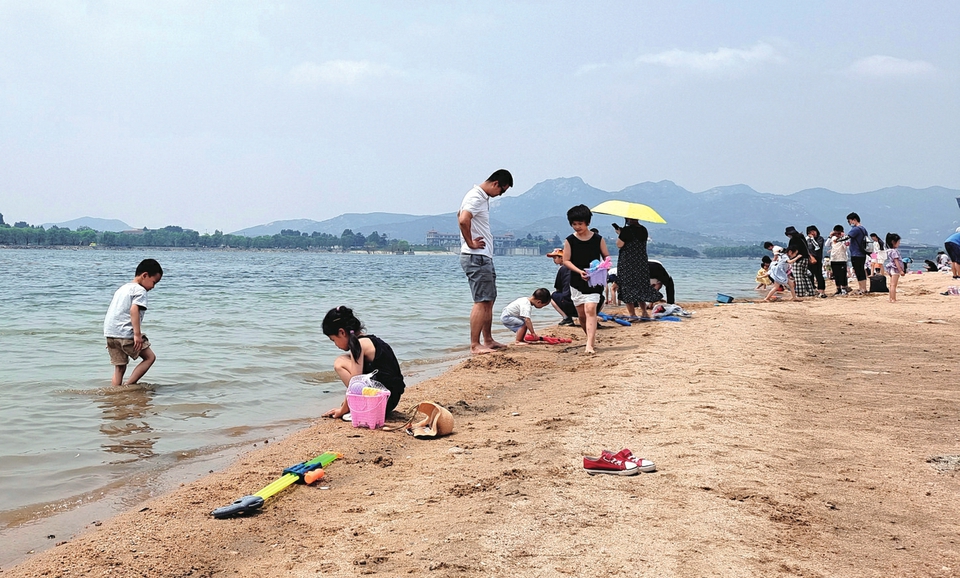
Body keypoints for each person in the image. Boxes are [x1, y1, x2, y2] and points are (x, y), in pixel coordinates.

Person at [457, 169, 513, 354]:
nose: (500, 195)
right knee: (481, 301)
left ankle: (487, 340)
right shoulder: (476, 197)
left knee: (489, 299)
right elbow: (463, 219)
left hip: (483, 256)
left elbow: (460, 215)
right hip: (476, 257)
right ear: (496, 183)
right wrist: (470, 242)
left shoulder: (480, 197)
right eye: (502, 191)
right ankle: (475, 344)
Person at [321, 306, 405, 419]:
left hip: (382, 401)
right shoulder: (370, 340)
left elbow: (355, 383)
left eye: (333, 340)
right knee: (344, 359)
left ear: (341, 332)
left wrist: (342, 410)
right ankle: (354, 402)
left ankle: (354, 404)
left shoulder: (358, 345)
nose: (335, 344)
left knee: (340, 362)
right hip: (392, 398)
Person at [103, 258, 163, 386]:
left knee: (119, 367)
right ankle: (129, 386)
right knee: (150, 357)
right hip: (126, 333)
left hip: (111, 333)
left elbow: (113, 310)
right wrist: (137, 334)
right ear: (145, 275)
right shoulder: (140, 290)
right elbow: (134, 310)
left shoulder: (122, 289)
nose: (153, 287)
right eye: (154, 282)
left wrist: (111, 335)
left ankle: (116, 392)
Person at [562, 204, 610, 354]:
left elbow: (606, 256)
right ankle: (589, 337)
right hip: (576, 281)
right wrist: (579, 271)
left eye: (580, 224)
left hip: (594, 280)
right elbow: (566, 260)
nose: (577, 227)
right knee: (581, 315)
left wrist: (605, 265)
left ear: (587, 222)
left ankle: (589, 344)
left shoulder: (598, 239)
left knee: (590, 309)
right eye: (574, 224)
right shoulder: (569, 240)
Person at [613, 218, 661, 319]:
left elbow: (619, 244)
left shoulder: (626, 230)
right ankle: (644, 312)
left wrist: (620, 233)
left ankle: (632, 314)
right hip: (641, 262)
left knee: (627, 288)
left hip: (627, 263)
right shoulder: (644, 229)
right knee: (641, 287)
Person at [547, 249, 576, 326]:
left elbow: (558, 288)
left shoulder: (562, 268)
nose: (554, 260)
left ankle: (566, 318)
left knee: (552, 295)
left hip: (570, 304)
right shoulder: (576, 266)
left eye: (555, 258)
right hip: (584, 303)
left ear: (562, 258)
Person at [785, 226, 816, 298]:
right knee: (805, 275)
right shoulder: (802, 237)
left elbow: (791, 250)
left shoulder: (793, 240)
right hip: (805, 259)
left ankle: (801, 293)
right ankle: (811, 292)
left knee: (798, 277)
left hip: (798, 259)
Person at [846, 212, 869, 295]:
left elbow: (848, 237)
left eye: (850, 221)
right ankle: (864, 288)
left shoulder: (855, 229)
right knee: (861, 270)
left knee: (858, 271)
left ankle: (862, 288)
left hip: (856, 253)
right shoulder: (863, 229)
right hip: (862, 253)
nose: (850, 223)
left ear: (854, 220)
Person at [827, 225, 850, 295]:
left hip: (842, 259)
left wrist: (842, 238)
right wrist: (830, 236)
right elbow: (827, 244)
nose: (837, 235)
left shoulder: (845, 238)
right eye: (836, 233)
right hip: (834, 259)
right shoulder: (833, 238)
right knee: (836, 275)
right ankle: (838, 288)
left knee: (842, 275)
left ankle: (844, 288)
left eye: (838, 233)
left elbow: (846, 247)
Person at [806, 226, 827, 298]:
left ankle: (821, 291)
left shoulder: (820, 239)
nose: (812, 233)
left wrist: (812, 239)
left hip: (817, 259)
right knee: (810, 275)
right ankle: (812, 290)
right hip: (809, 259)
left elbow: (817, 247)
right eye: (810, 232)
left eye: (814, 231)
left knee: (819, 275)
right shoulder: (807, 240)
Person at [884, 233, 904, 303]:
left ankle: (891, 298)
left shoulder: (889, 251)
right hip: (895, 269)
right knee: (893, 285)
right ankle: (893, 299)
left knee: (891, 284)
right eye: (898, 242)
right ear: (893, 242)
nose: (899, 244)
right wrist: (900, 270)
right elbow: (896, 261)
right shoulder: (894, 251)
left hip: (891, 268)